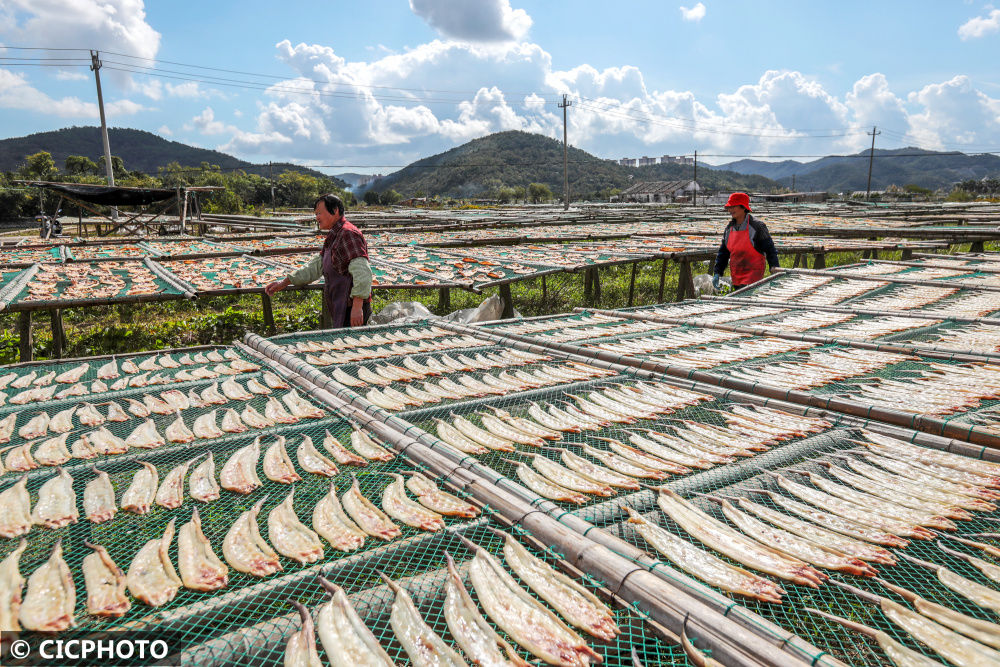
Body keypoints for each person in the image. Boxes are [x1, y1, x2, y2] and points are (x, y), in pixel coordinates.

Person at [265, 194, 373, 328]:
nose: (317, 218)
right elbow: (315, 267)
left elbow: (362, 272)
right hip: (342, 308)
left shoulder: (348, 233)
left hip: (353, 311)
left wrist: (357, 307)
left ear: (335, 210)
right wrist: (284, 283)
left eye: (319, 213)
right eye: (316, 214)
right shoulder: (334, 235)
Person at [712, 192, 778, 291]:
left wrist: (774, 269)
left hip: (753, 274)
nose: (730, 210)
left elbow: (770, 249)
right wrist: (717, 271)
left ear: (743, 207)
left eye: (733, 207)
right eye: (729, 207)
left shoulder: (757, 226)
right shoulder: (729, 228)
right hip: (737, 273)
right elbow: (724, 252)